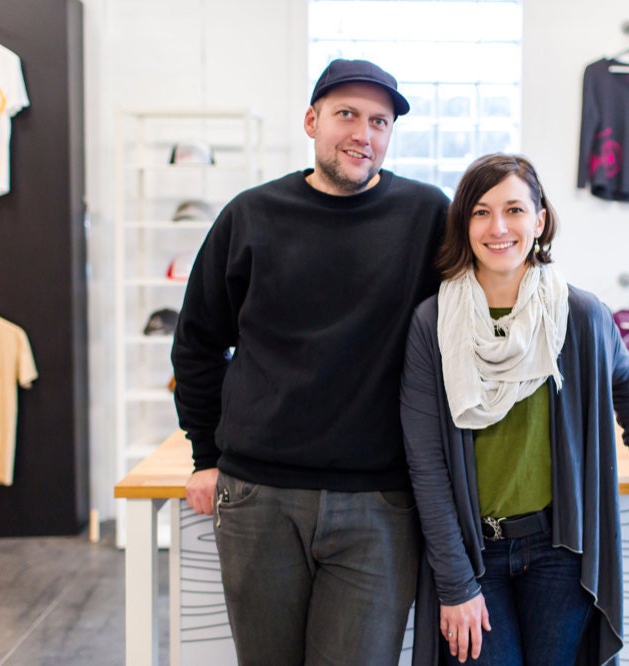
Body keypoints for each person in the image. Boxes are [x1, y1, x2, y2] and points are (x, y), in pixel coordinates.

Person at [171, 59, 449, 665]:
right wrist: (205, 456)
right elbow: (197, 341)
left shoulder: (426, 216)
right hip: (258, 496)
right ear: (311, 121)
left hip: (380, 503)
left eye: (379, 121)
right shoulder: (250, 215)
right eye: (346, 114)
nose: (363, 134)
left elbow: (488, 296)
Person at [400, 153, 629, 665]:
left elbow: (625, 377)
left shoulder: (578, 314)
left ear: (540, 219)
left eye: (514, 210)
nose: (498, 227)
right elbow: (427, 465)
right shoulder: (434, 322)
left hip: (560, 551)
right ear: (463, 224)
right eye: (481, 212)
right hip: (475, 554)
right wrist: (455, 582)